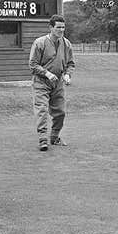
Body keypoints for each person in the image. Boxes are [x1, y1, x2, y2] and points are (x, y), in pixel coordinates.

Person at [29, 15, 76, 151]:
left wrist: (67, 74)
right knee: (42, 110)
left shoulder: (67, 44)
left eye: (63, 27)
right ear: (51, 28)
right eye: (58, 27)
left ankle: (55, 137)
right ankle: (43, 139)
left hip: (58, 83)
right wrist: (46, 73)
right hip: (41, 82)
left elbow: (71, 63)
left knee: (60, 111)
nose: (61, 30)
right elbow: (32, 64)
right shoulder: (40, 43)